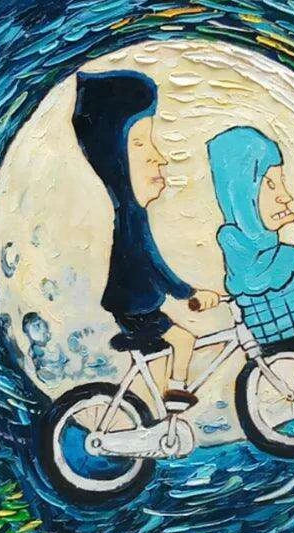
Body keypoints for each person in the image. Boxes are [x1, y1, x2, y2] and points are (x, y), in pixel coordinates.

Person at [72, 70, 218, 405]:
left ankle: (159, 407)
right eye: (139, 143)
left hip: (136, 308)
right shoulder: (132, 221)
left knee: (164, 352)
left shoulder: (132, 214)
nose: (159, 157)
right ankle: (175, 392)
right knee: (184, 340)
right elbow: (152, 264)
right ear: (113, 157)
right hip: (136, 310)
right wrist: (188, 292)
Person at [206, 126, 294, 343]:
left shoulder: (269, 244)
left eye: (281, 182)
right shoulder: (232, 239)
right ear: (241, 194)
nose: (285, 196)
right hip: (267, 324)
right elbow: (250, 280)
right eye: (270, 185)